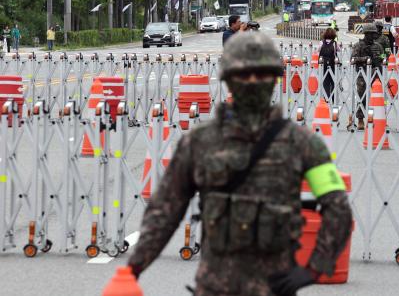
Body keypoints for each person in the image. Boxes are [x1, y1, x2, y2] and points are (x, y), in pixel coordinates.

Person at [127, 32, 353, 295]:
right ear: (229, 79)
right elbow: (164, 213)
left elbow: (338, 208)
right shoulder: (200, 144)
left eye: (262, 74)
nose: (253, 82)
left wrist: (313, 269)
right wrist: (132, 270)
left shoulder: (302, 144)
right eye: (245, 75)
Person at [350, 23, 383, 131]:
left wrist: (380, 60)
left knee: (377, 98)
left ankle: (378, 118)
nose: (373, 36)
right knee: (362, 97)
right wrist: (365, 59)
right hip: (362, 74)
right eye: (371, 34)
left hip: (376, 74)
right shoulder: (358, 46)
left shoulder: (378, 46)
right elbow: (353, 59)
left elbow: (383, 57)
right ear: (366, 34)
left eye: (374, 34)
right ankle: (360, 119)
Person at [319, 28, 338, 104]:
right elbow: (338, 50)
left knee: (325, 81)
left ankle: (326, 98)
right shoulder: (334, 43)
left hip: (323, 64)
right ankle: (333, 98)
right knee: (333, 81)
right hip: (333, 64)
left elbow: (318, 50)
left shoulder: (321, 42)